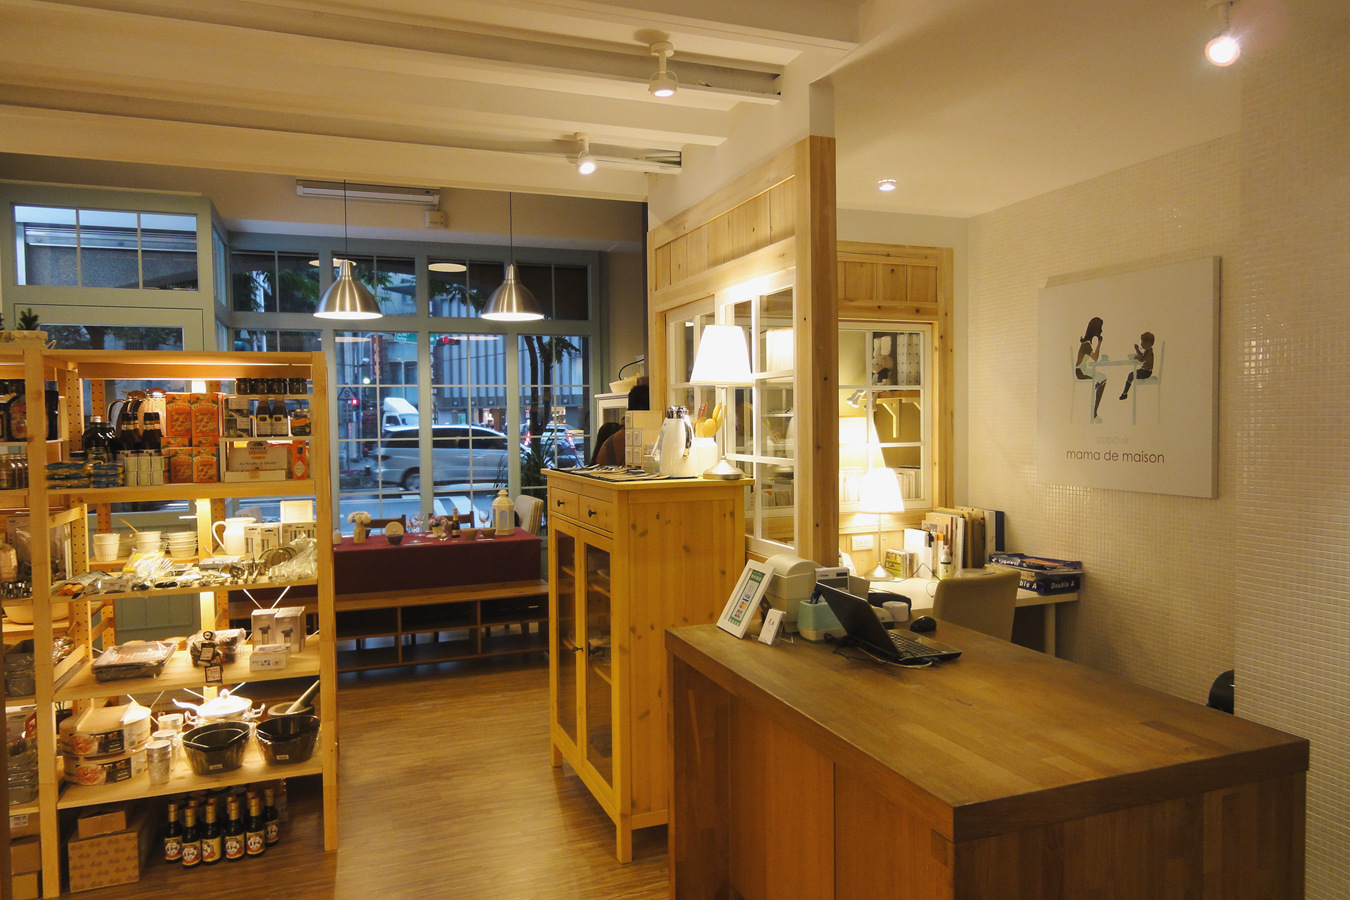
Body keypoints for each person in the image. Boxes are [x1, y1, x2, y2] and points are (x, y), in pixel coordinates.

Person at [1075, 316, 1107, 422]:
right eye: (1100, 328)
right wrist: (1099, 343)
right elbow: (1095, 358)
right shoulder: (1086, 345)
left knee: (1102, 378)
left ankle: (1098, 385)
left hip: (1082, 370)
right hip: (1081, 372)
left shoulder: (1086, 343)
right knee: (1103, 379)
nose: (1101, 331)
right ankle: (1094, 413)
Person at [1119, 331, 1155, 400]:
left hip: (1146, 372)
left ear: (1148, 343)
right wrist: (1137, 350)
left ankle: (1124, 394)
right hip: (1144, 371)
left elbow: (1142, 359)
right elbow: (1142, 356)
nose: (1141, 344)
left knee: (1131, 375)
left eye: (1143, 342)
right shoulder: (1147, 351)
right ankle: (1124, 393)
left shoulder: (1149, 352)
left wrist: (1138, 357)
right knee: (1131, 375)